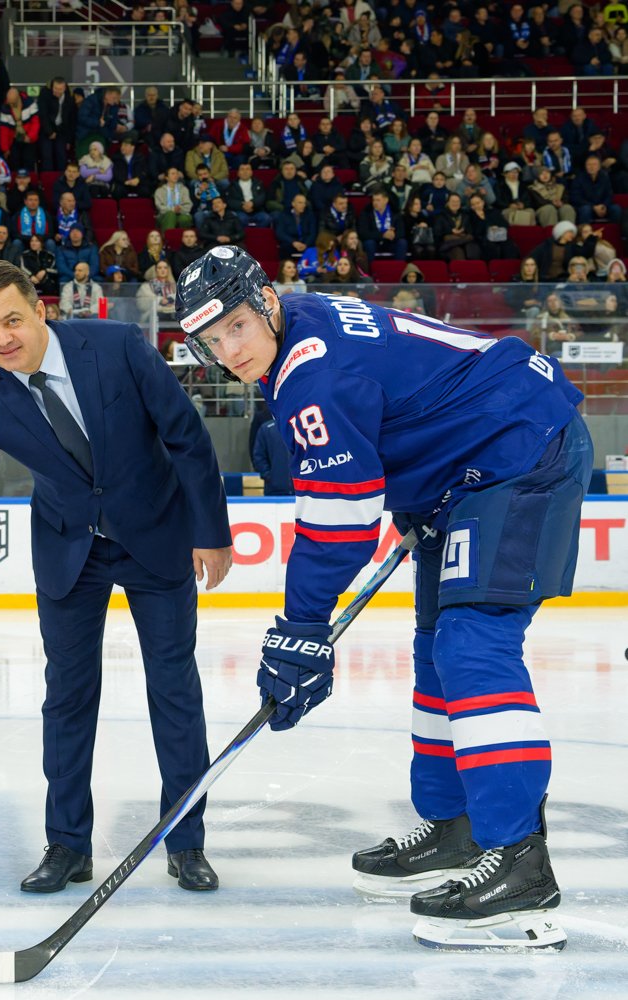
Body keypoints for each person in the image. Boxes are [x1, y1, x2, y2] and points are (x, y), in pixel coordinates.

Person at [175, 244, 592, 952]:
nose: (229, 351)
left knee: (472, 646)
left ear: (267, 301)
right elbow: (406, 400)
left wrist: (301, 626)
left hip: (522, 450)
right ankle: (455, 828)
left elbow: (340, 523)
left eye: (236, 327)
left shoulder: (311, 374)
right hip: (469, 471)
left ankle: (520, 861)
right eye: (212, 341)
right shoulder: (297, 329)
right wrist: (419, 493)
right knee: (436, 651)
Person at [0, 259, 233, 895]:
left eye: (12, 320)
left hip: (156, 534)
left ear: (40, 310)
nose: (2, 339)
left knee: (174, 690)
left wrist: (212, 531)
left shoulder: (117, 346)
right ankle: (66, 846)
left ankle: (186, 841)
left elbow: (187, 438)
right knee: (67, 698)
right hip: (69, 549)